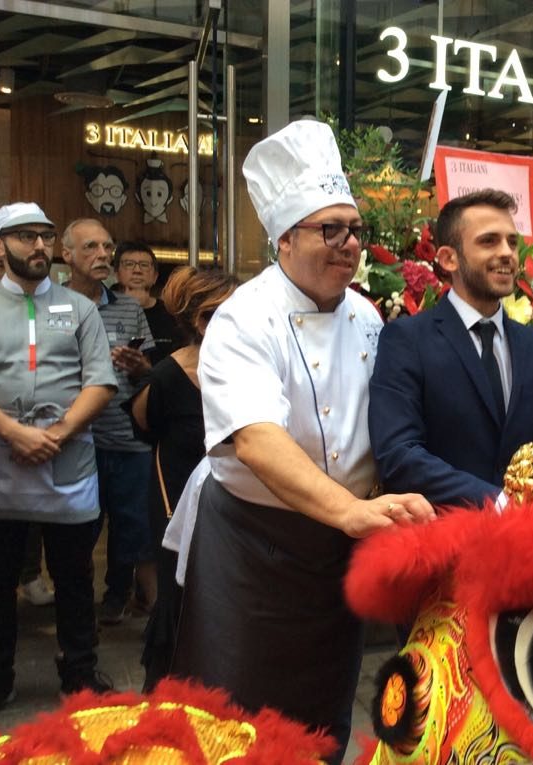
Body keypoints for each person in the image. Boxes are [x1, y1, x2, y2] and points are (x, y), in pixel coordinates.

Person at [169, 119, 434, 764]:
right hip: (252, 544)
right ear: (284, 238)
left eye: (355, 231)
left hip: (336, 547)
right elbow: (257, 439)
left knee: (322, 709)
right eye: (329, 229)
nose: (348, 245)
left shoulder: (367, 315)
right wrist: (350, 510)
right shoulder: (243, 317)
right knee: (232, 716)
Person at [0, 203, 116, 722]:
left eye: (46, 236)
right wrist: (12, 433)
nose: (39, 246)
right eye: (25, 236)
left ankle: (79, 674)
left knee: (74, 578)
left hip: (67, 462)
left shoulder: (80, 309)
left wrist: (54, 434)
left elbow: (101, 381)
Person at [368, 189, 533, 510]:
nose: (507, 253)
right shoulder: (407, 340)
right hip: (439, 543)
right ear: (448, 258)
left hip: (528, 544)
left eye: (512, 242)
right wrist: (496, 502)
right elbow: (398, 454)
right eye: (489, 241)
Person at [123, 265, 239, 692]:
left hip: (233, 497)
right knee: (180, 592)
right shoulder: (168, 376)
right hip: (176, 495)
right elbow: (143, 426)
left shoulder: (247, 369)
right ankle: (170, 690)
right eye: (218, 314)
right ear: (195, 320)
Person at [61, 219, 156, 625]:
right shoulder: (54, 305)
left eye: (106, 247)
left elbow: (149, 369)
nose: (102, 255)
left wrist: (139, 365)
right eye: (90, 247)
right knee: (76, 529)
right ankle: (74, 605)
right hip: (73, 437)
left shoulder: (129, 307)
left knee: (130, 524)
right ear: (66, 255)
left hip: (126, 437)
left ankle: (117, 594)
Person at [112, 241, 184, 360]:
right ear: (117, 274)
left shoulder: (172, 314)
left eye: (144, 265)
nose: (137, 271)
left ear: (155, 276)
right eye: (129, 264)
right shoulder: (105, 310)